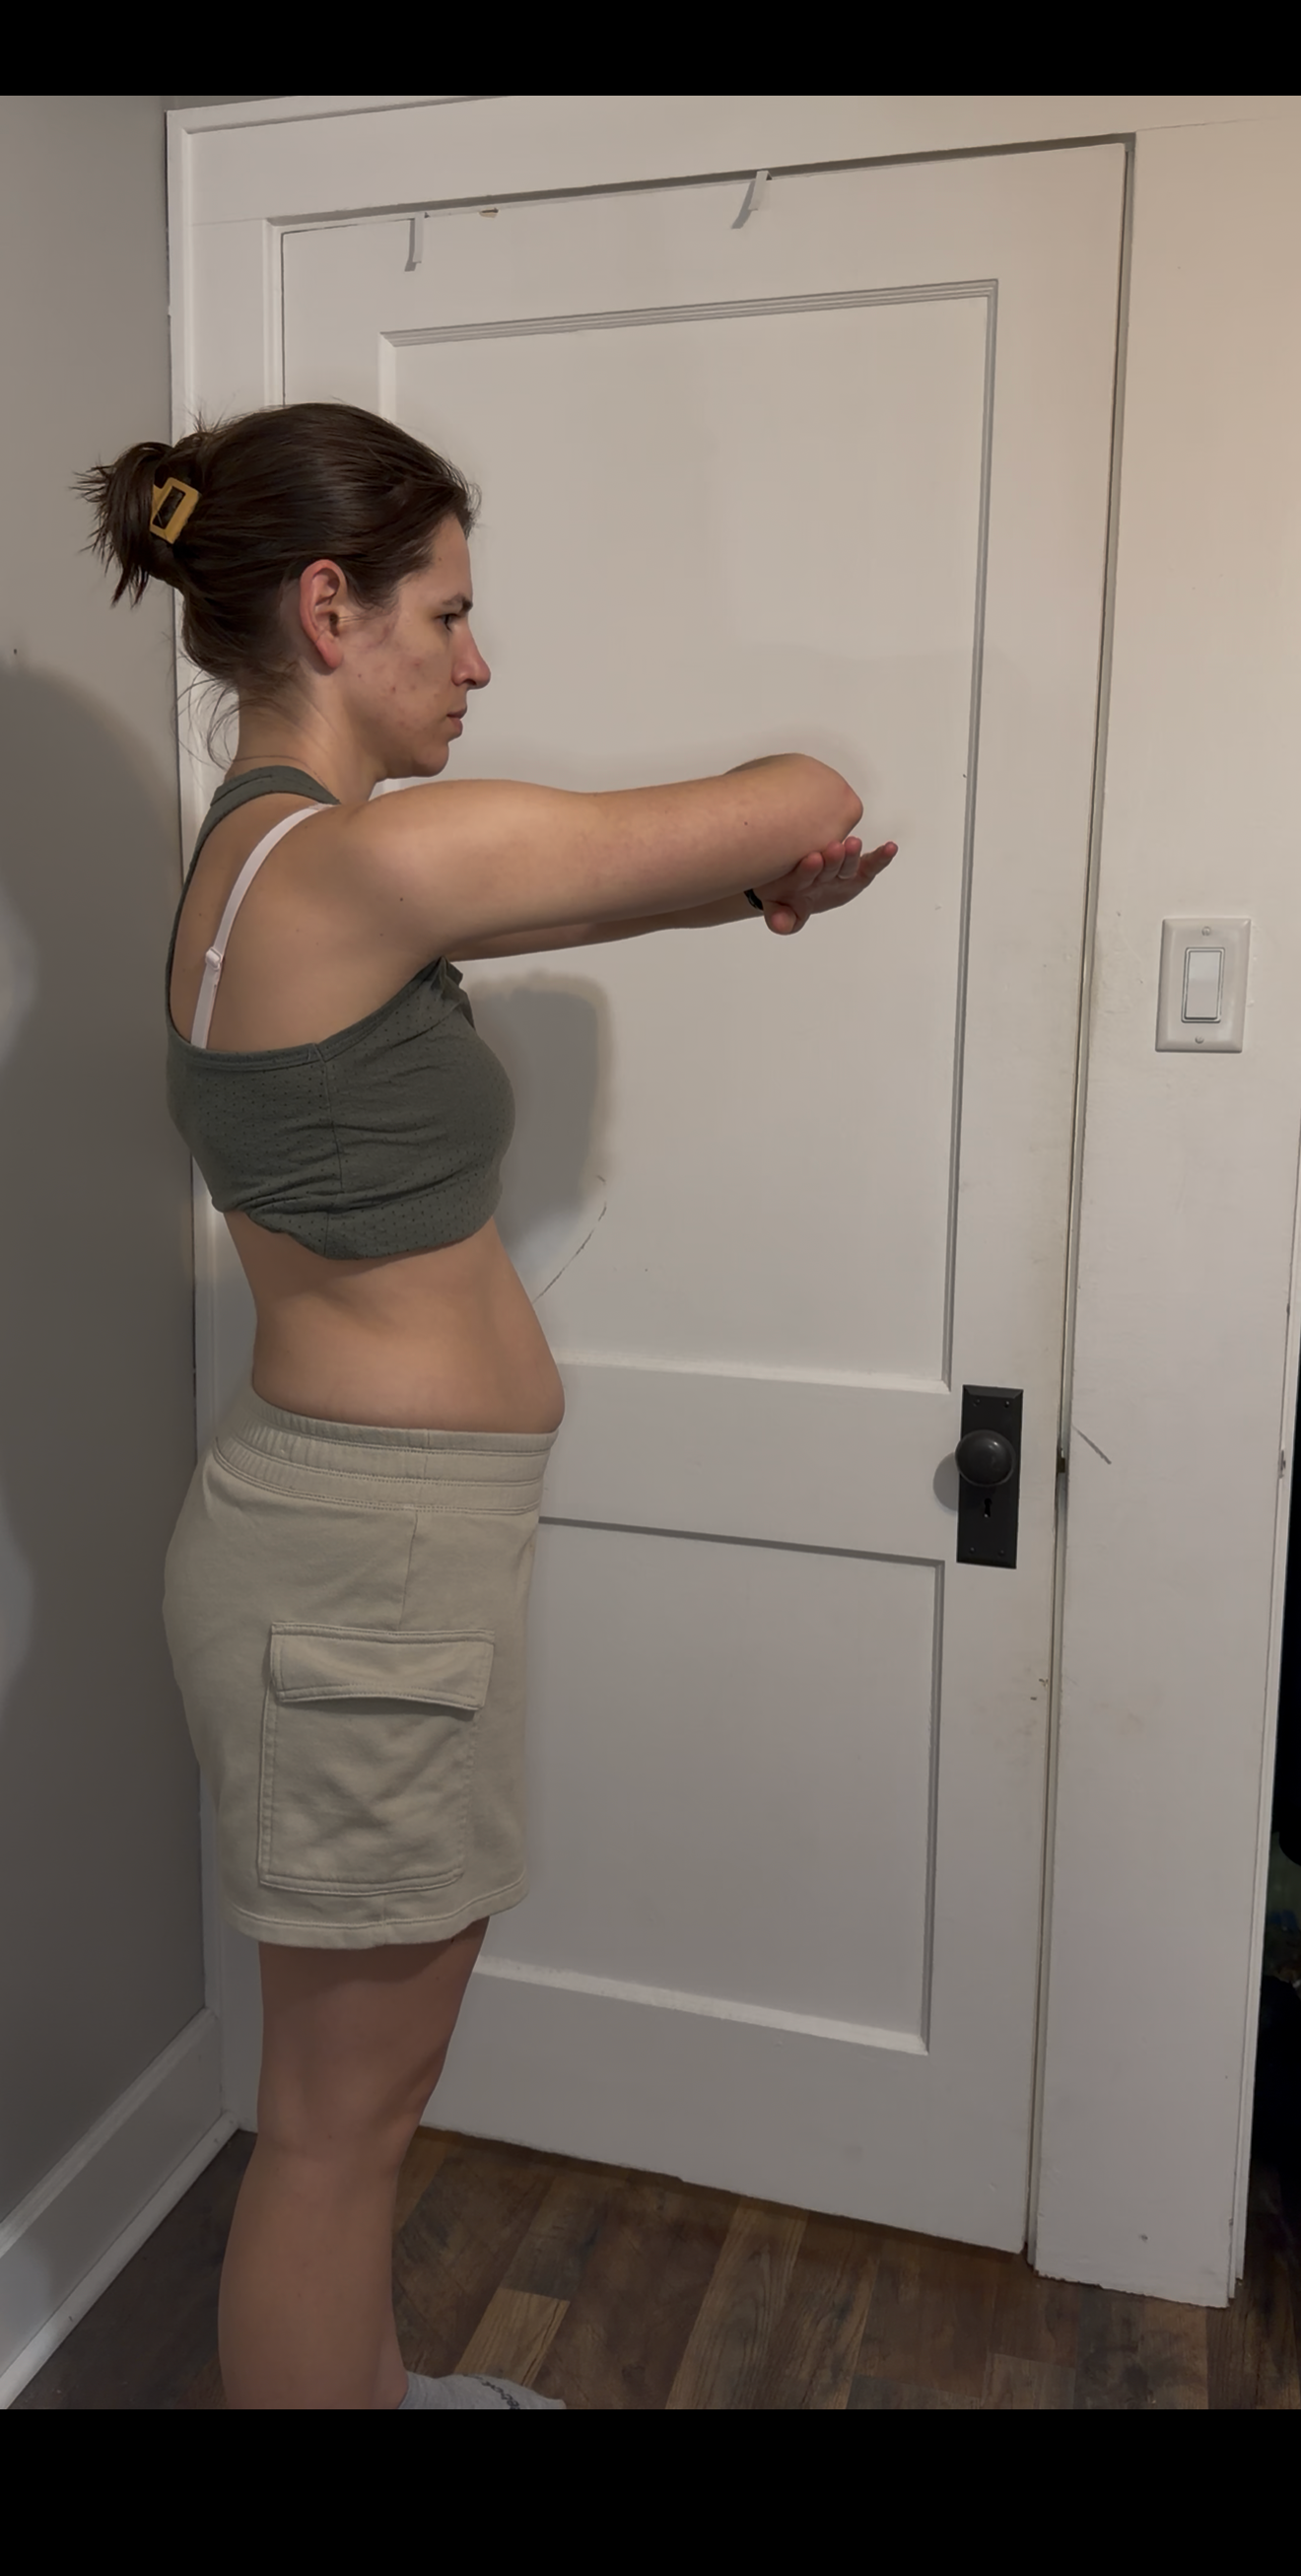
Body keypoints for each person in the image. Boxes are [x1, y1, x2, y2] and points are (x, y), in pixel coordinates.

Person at [78, 402, 896, 2410]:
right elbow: (809, 782)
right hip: (363, 1574)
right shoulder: (361, 864)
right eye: (448, 612)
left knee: (360, 2105)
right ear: (331, 610)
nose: (479, 658)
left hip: (355, 1556)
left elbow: (560, 901)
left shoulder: (279, 864)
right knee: (336, 2132)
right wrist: (770, 842)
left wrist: (741, 899)